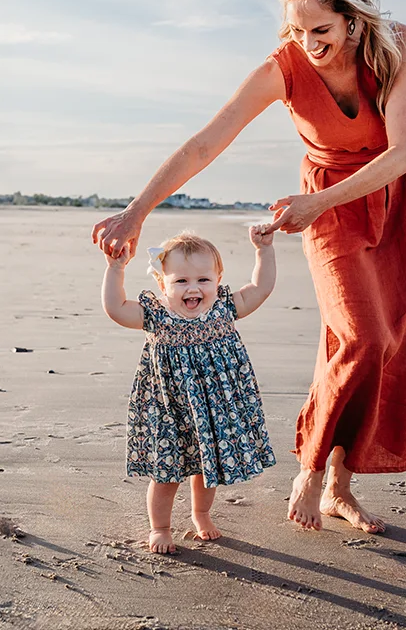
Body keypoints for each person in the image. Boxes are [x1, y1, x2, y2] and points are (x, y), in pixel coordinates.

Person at [93, 0, 406, 535]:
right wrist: (137, 212)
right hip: (328, 209)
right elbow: (203, 145)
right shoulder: (282, 68)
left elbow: (402, 153)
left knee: (392, 345)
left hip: (392, 200)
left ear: (354, 18)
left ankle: (340, 484)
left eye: (321, 30)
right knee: (361, 337)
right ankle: (309, 471)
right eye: (296, 28)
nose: (308, 41)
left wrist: (315, 203)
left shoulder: (397, 45)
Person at [101, 226, 278, 553]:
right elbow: (115, 308)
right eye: (181, 281)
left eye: (203, 280)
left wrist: (263, 250)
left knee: (206, 468)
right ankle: (161, 527)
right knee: (166, 474)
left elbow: (261, 287)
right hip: (169, 410)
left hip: (214, 409)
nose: (193, 288)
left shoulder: (225, 309)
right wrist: (116, 269)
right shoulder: (155, 315)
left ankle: (201, 514)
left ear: (218, 279)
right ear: (162, 283)